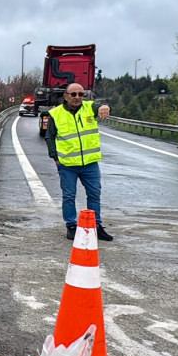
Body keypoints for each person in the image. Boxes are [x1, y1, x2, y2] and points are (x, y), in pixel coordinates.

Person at [45, 83, 113, 241]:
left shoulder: (89, 107)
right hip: (68, 165)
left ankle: (96, 226)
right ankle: (71, 226)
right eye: (73, 94)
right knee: (69, 196)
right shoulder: (55, 114)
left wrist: (104, 106)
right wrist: (55, 158)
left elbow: (100, 106)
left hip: (90, 164)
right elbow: (50, 137)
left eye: (81, 94)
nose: (77, 97)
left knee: (94, 194)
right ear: (66, 96)